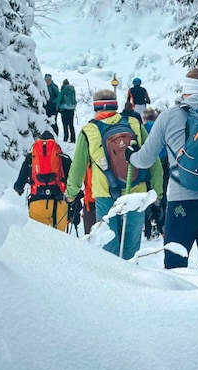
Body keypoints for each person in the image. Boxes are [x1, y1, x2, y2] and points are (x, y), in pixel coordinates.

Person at [126, 68, 198, 272]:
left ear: (186, 90)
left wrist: (130, 156)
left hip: (181, 206)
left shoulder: (169, 117)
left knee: (175, 272)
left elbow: (145, 159)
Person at [65, 90, 163, 259]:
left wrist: (71, 194)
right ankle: (131, 278)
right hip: (137, 193)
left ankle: (114, 281)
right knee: (131, 250)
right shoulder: (134, 123)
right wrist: (157, 192)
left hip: (106, 194)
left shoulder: (89, 130)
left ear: (96, 108)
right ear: (115, 105)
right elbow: (153, 159)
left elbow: (77, 168)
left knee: (109, 247)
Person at [13, 131, 72, 231]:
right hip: (60, 204)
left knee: (40, 241)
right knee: (60, 241)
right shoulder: (63, 158)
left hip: (37, 203)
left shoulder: (30, 158)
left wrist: (20, 191)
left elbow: (18, 185)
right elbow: (73, 182)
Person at [143, 107, 167, 240]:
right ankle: (161, 225)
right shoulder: (160, 128)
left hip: (148, 164)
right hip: (163, 163)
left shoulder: (143, 128)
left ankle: (148, 228)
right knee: (161, 194)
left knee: (147, 195)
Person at [57, 78, 77, 143]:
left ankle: (66, 138)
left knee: (65, 125)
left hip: (64, 110)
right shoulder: (72, 90)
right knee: (71, 125)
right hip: (71, 110)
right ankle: (73, 139)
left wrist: (57, 107)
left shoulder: (63, 90)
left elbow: (59, 99)